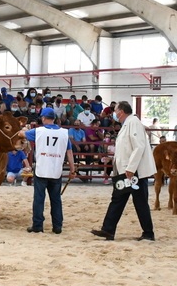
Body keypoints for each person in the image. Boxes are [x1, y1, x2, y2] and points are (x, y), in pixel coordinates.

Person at [91, 101, 156, 241]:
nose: (113, 113)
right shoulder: (126, 124)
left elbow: (139, 147)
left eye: (115, 110)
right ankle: (108, 229)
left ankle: (148, 233)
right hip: (126, 171)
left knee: (140, 202)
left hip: (133, 171)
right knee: (118, 199)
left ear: (121, 111)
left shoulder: (134, 122)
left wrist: (131, 168)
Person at [23, 108, 76, 234]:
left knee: (39, 199)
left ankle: (38, 225)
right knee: (56, 199)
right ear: (54, 118)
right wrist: (72, 170)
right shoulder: (64, 133)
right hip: (56, 170)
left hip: (42, 169)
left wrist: (25, 129)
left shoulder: (38, 131)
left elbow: (21, 134)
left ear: (43, 118)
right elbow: (69, 153)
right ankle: (57, 226)